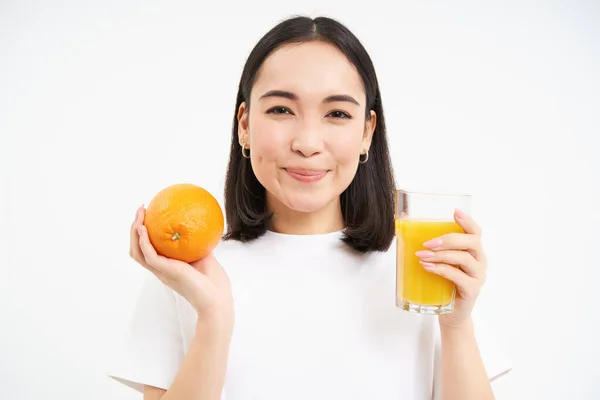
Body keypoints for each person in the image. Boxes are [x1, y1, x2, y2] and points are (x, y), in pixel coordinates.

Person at [108, 15, 511, 400]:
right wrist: (214, 320)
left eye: (337, 113)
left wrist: (456, 326)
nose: (307, 142)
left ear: (367, 132)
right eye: (281, 109)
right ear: (244, 125)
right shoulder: (189, 274)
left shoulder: (418, 272)